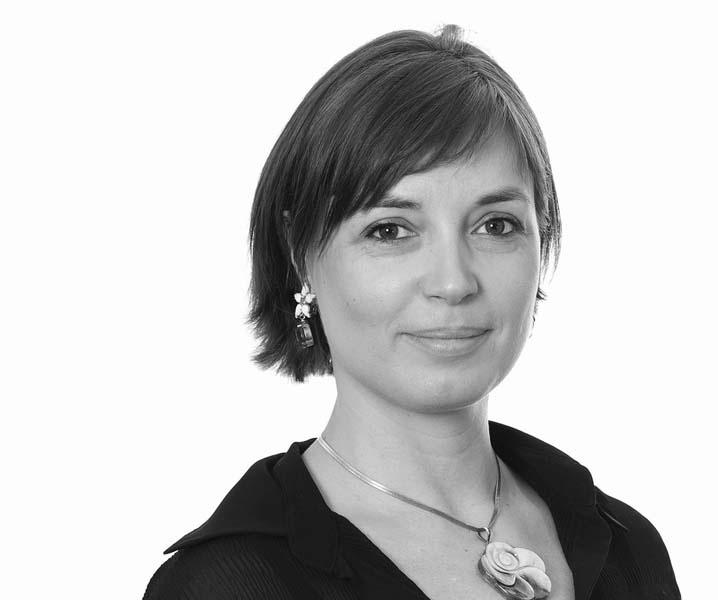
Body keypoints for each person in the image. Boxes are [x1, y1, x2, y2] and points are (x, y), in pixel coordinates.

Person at [142, 25, 681, 600]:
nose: (453, 282)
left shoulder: (628, 547)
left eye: (496, 225)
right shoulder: (224, 585)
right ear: (302, 254)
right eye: (390, 230)